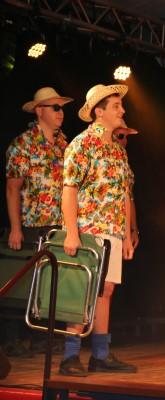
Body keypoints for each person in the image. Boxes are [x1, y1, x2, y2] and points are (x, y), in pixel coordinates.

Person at [59, 84, 137, 376]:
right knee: (84, 289)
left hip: (112, 230)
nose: (122, 110)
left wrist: (126, 235)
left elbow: (123, 194)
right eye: (116, 105)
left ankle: (100, 355)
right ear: (99, 111)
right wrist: (71, 232)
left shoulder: (117, 151)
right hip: (89, 229)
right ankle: (70, 356)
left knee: (106, 290)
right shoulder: (82, 144)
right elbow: (69, 190)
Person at [2, 87, 72, 357]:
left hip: (57, 225)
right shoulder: (23, 144)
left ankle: (42, 337)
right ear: (40, 111)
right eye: (55, 108)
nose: (61, 113)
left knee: (50, 281)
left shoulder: (64, 144)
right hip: (31, 224)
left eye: (61, 108)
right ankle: (12, 339)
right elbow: (12, 188)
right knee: (22, 281)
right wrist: (16, 228)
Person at [113, 123, 140, 249]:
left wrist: (133, 229)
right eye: (121, 136)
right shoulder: (96, 154)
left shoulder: (125, 164)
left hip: (120, 230)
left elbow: (129, 198)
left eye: (126, 137)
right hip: (97, 227)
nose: (125, 140)